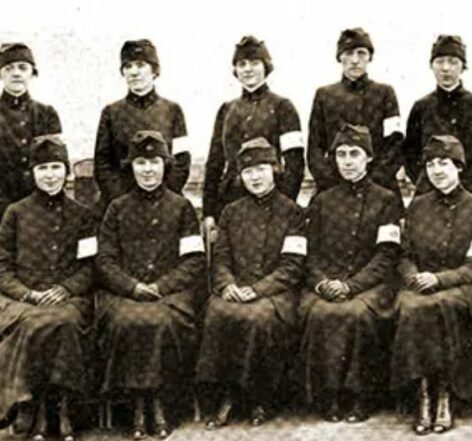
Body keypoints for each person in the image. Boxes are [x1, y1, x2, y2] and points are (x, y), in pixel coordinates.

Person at [95, 130, 205, 439]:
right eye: (140, 163)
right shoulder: (116, 208)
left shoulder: (182, 207)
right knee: (127, 321)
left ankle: (159, 402)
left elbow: (194, 261)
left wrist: (161, 286)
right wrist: (131, 287)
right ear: (131, 167)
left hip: (170, 294)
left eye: (154, 162)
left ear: (165, 165)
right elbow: (104, 261)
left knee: (160, 321)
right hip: (125, 294)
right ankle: (137, 404)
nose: (147, 170)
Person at [196, 137, 305, 428]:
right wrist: (227, 285)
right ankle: (225, 395)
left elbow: (292, 267)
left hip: (276, 293)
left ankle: (260, 398)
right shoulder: (231, 212)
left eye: (261, 169)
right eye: (247, 171)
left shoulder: (292, 212)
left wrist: (258, 290)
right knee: (216, 312)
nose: (255, 177)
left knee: (258, 317)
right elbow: (220, 259)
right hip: (236, 288)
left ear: (275, 170)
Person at [391, 135, 472, 434]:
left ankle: (446, 394)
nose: (437, 170)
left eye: (444, 163)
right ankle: (424, 394)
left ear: (459, 167)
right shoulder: (417, 207)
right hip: (420, 286)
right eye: (431, 164)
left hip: (466, 289)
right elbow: (405, 256)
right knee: (412, 308)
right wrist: (414, 277)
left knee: (443, 305)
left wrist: (439, 280)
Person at [299, 123, 403, 422]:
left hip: (370, 285)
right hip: (327, 282)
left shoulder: (386, 200)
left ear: (368, 157)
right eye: (341, 154)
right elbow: (309, 252)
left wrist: (352, 286)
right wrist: (322, 283)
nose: (347, 161)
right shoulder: (321, 201)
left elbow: (386, 256)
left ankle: (361, 396)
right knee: (320, 313)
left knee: (357, 314)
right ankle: (328, 395)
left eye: (354, 154)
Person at [0, 135, 95, 441]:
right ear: (32, 173)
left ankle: (58, 407)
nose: (50, 175)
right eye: (43, 168)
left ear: (66, 171)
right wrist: (26, 293)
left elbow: (90, 267)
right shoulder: (15, 213)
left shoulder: (83, 215)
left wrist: (66, 288)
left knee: (64, 321)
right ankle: (33, 404)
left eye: (56, 167)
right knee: (33, 321)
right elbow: (1, 267)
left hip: (67, 298)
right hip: (21, 299)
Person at [203, 35, 305, 223]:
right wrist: (209, 212)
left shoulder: (283, 107)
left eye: (254, 63)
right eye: (242, 64)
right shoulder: (226, 109)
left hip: (271, 202)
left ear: (266, 66)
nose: (248, 69)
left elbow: (295, 164)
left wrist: (284, 205)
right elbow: (214, 162)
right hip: (230, 201)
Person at [94, 39, 191, 213]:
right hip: (122, 206)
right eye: (128, 66)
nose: (134, 72)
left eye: (140, 65)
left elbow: (182, 162)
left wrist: (162, 198)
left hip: (165, 205)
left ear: (154, 70)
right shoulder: (111, 112)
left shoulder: (173, 110)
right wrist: (123, 202)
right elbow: (102, 164)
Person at [403, 35, 472, 206]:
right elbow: (410, 155)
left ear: (463, 66)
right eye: (439, 61)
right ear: (431, 66)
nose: (446, 68)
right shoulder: (421, 107)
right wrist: (429, 181)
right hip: (430, 193)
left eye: (453, 62)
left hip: (471, 194)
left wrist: (471, 182)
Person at [307, 28, 403, 195]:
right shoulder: (325, 95)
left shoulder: (384, 93)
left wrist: (373, 183)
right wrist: (331, 184)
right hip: (333, 188)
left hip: (379, 187)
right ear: (340, 57)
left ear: (369, 57)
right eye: (349, 53)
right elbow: (315, 146)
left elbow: (395, 144)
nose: (355, 60)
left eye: (361, 53)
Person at [0, 43, 62, 218]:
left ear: (32, 73)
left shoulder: (46, 113)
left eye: (23, 67)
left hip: (38, 206)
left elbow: (55, 163)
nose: (16, 73)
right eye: (9, 68)